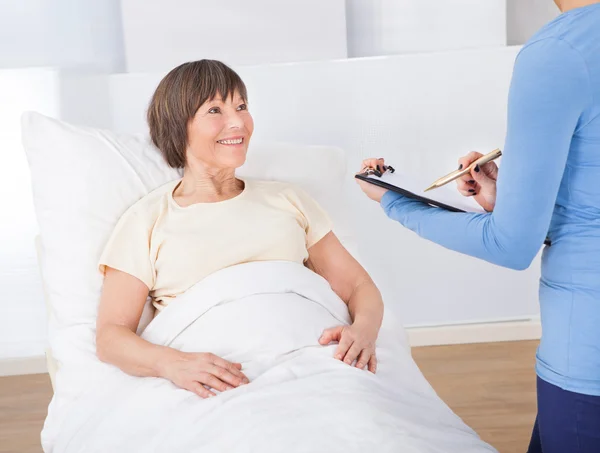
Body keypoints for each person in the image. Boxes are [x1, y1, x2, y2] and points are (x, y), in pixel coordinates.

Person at [358, 1, 600, 452]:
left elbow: (510, 245)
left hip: (588, 354)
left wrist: (395, 202)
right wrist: (513, 199)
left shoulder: (560, 51)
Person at [96, 59, 383, 399]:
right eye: (215, 110)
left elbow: (358, 285)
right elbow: (111, 336)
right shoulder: (147, 219)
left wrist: (364, 330)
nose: (238, 123)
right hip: (219, 382)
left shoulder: (287, 198)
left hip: (316, 361)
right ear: (178, 126)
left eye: (241, 106)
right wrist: (171, 363)